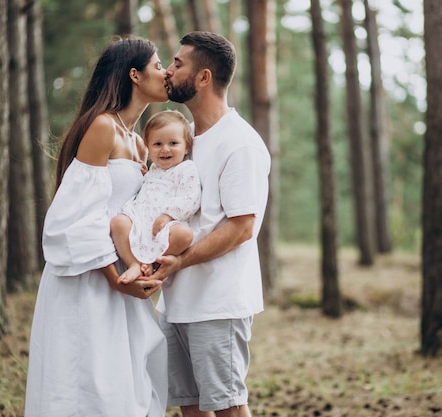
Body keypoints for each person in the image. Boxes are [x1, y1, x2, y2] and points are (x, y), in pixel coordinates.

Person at [24, 35, 170, 417]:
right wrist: (111, 276)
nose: (166, 72)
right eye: (158, 66)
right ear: (134, 75)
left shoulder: (140, 144)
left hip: (124, 280)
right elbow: (73, 215)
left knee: (124, 383)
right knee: (88, 383)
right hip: (88, 277)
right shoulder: (102, 127)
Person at [150, 32, 271, 417]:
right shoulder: (185, 142)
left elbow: (241, 227)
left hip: (218, 303)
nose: (168, 71)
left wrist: (181, 261)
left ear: (203, 78)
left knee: (228, 407)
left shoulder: (240, 143)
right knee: (192, 407)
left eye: (177, 63)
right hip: (177, 302)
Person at [110, 110, 201, 279]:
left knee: (185, 235)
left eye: (173, 143)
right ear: (148, 147)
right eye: (157, 144)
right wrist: (143, 176)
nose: (165, 149)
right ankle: (134, 264)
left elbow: (191, 198)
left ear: (186, 146)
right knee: (118, 223)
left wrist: (168, 215)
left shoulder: (186, 168)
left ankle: (152, 263)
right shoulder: (153, 169)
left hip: (165, 225)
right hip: (140, 218)